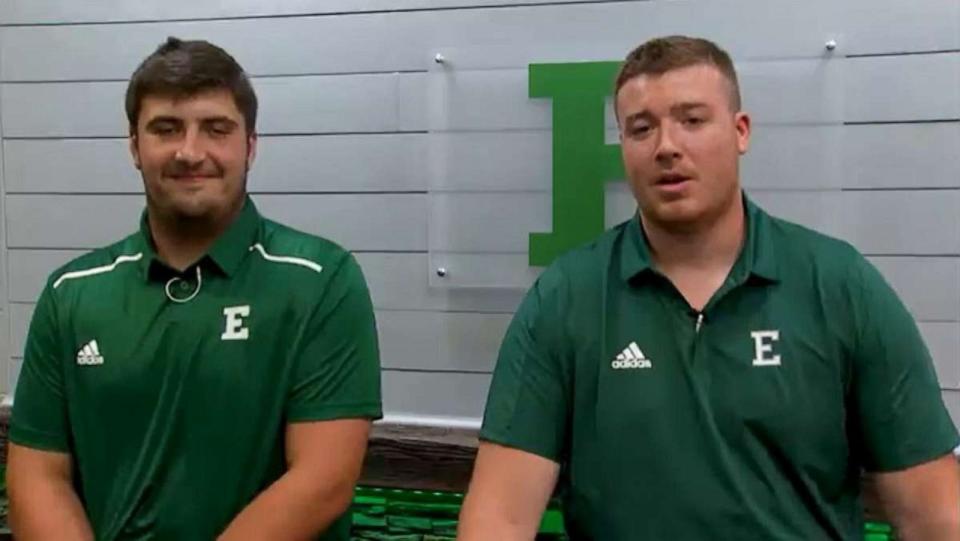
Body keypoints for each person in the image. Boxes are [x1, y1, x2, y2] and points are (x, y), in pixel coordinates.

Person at [458, 35, 960, 540]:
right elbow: (500, 519)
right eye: (641, 128)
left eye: (692, 120)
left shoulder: (839, 286)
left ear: (740, 131)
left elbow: (935, 516)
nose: (667, 147)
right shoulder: (566, 299)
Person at [7, 37, 382, 541]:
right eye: (166, 129)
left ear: (250, 145)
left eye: (216, 129)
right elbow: (38, 478)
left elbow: (323, 480)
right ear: (135, 147)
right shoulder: (72, 294)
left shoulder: (320, 280)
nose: (190, 151)